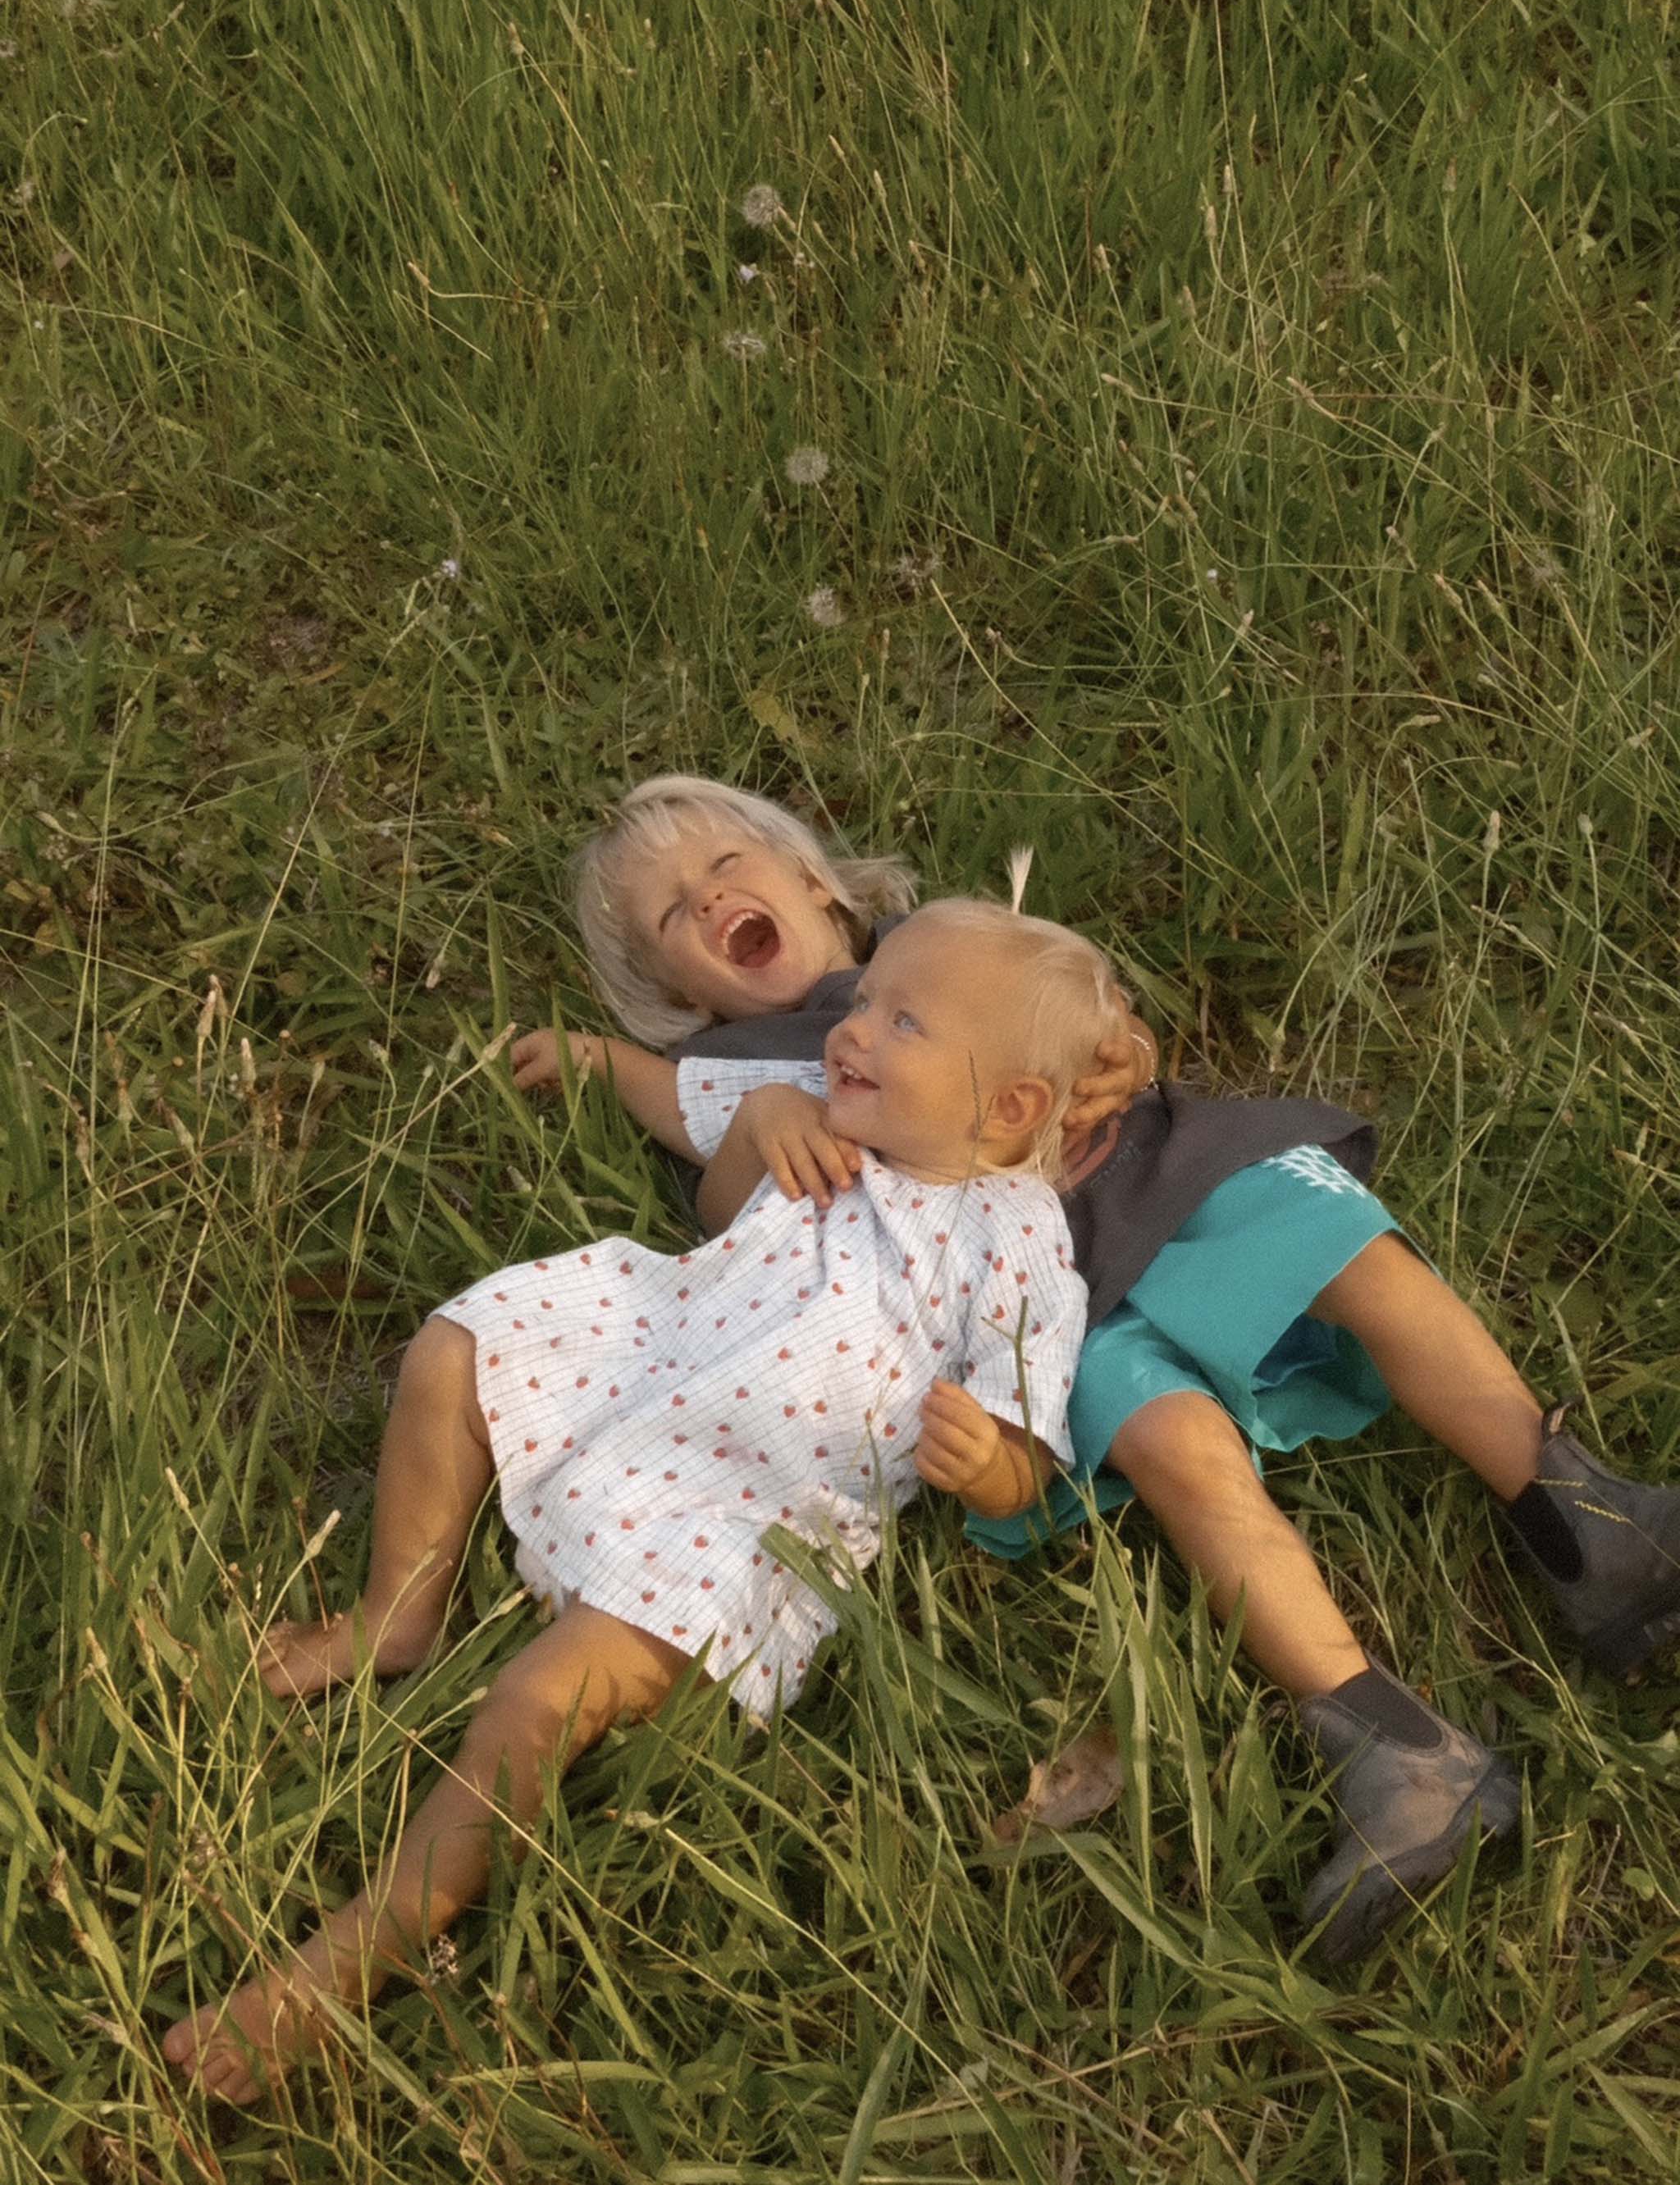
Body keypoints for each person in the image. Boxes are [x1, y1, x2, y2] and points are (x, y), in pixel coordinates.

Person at [516, 777, 1680, 1965]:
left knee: (1354, 1260)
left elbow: (1088, 1011)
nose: (708, 898)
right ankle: (1397, 1751)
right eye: (669, 915)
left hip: (1163, 1172)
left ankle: (1591, 1522)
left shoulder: (955, 941)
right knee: (1178, 1453)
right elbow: (681, 1117)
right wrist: (619, 1063)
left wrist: (1125, 1048)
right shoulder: (761, 1061)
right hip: (1045, 1298)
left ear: (816, 881)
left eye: (724, 861)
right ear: (679, 992)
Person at [162, 898, 1111, 2105]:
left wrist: (987, 1462)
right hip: (646, 1347)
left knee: (535, 1699)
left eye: (902, 1019)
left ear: (1013, 1106)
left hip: (747, 1505)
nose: (853, 1032)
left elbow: (1030, 1439)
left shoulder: (1016, 1239)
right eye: (864, 1001)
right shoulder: (825, 1118)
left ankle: (356, 1949)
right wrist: (759, 1123)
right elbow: (719, 1200)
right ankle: (396, 1608)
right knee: (453, 1349)